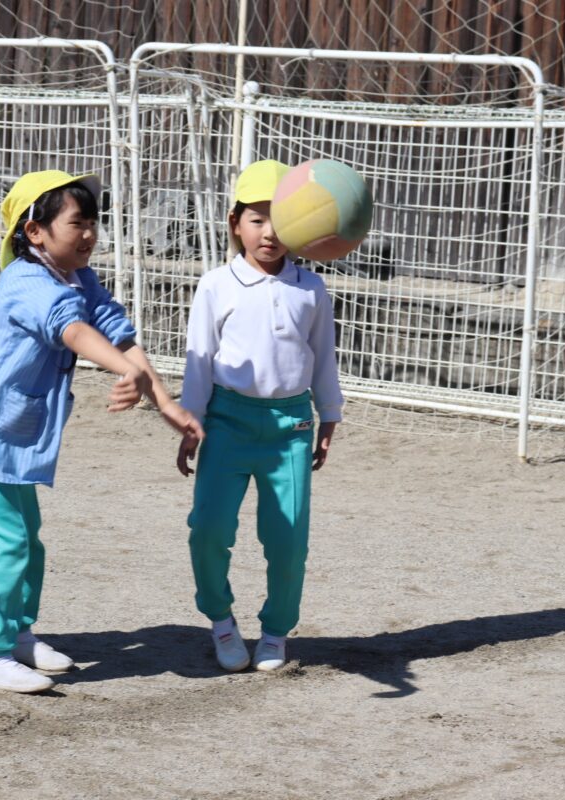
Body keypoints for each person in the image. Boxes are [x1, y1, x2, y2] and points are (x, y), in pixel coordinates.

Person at [0, 170, 204, 693]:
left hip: (9, 436)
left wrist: (165, 402)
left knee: (27, 543)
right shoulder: (26, 281)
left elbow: (117, 333)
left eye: (94, 222)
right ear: (35, 232)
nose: (90, 233)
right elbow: (73, 331)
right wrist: (123, 371)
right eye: (77, 223)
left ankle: (17, 634)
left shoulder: (79, 278)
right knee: (5, 544)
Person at [177, 160, 344, 673]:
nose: (269, 232)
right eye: (256, 218)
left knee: (288, 540)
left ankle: (275, 632)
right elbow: (199, 358)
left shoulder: (311, 288)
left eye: (281, 220)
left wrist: (329, 415)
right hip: (225, 422)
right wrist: (190, 421)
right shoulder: (215, 285)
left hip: (291, 427)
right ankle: (221, 621)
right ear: (235, 223)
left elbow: (323, 356)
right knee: (208, 529)